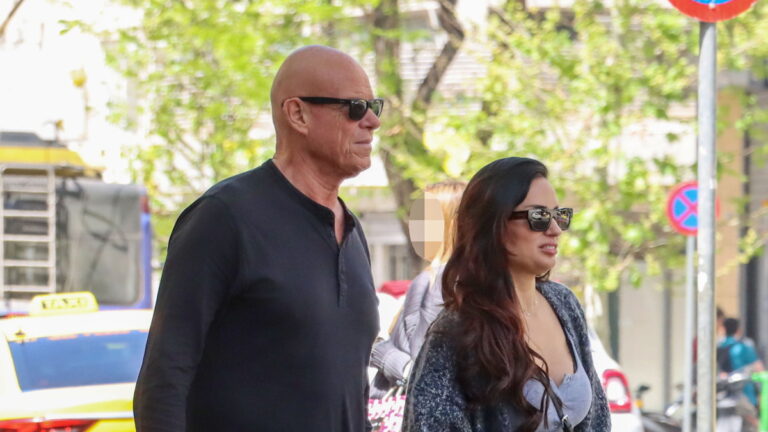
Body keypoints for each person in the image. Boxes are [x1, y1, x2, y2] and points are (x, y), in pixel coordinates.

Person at [133, 45, 383, 432]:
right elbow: (164, 379)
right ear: (297, 114)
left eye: (374, 106)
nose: (372, 122)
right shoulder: (224, 217)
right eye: (354, 107)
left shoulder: (351, 231)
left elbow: (346, 393)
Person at [402, 157, 611, 431]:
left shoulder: (564, 303)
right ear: (495, 225)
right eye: (539, 217)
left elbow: (597, 420)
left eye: (560, 216)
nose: (555, 229)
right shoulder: (457, 330)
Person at [369, 180, 466, 397]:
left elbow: (420, 368)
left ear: (451, 224)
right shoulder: (471, 278)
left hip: (404, 407)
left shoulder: (437, 281)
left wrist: (379, 351)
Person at [717, 317, 765, 408]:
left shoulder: (719, 347)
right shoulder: (744, 347)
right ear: (738, 330)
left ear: (724, 329)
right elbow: (759, 368)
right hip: (745, 396)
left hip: (724, 395)